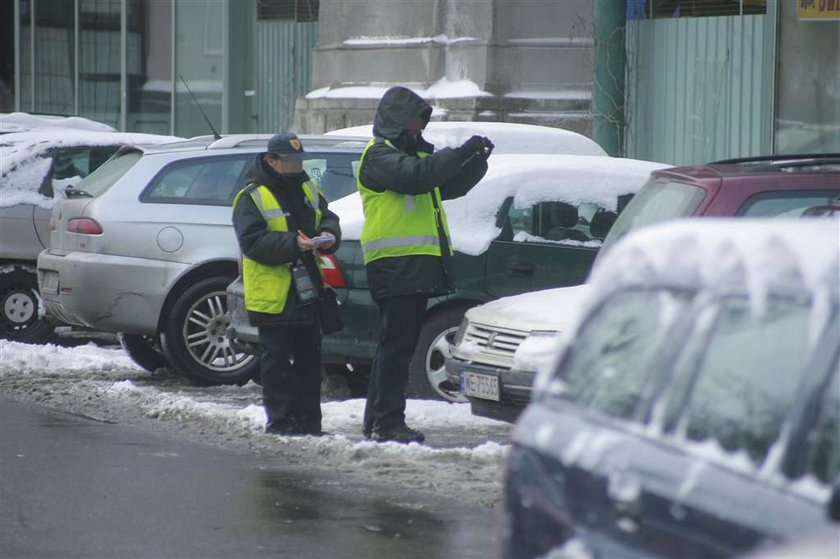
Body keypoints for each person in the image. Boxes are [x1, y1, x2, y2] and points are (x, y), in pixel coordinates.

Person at [358, 86, 493, 443]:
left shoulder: (409, 157)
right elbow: (418, 178)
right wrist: (458, 152)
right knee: (397, 347)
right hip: (394, 264)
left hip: (410, 265)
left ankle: (378, 420)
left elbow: (447, 186)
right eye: (416, 121)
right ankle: (387, 423)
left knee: (395, 345)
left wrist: (476, 161)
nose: (420, 128)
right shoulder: (379, 156)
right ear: (398, 121)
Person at [231, 132, 341, 436]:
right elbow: (253, 242)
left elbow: (327, 216)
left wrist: (329, 236)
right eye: (289, 161)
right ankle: (280, 423)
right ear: (271, 161)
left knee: (309, 360)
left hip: (307, 288)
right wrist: (294, 244)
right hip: (273, 293)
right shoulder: (251, 196)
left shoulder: (306, 186)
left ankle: (309, 424)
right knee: (276, 362)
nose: (295, 166)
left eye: (298, 161)